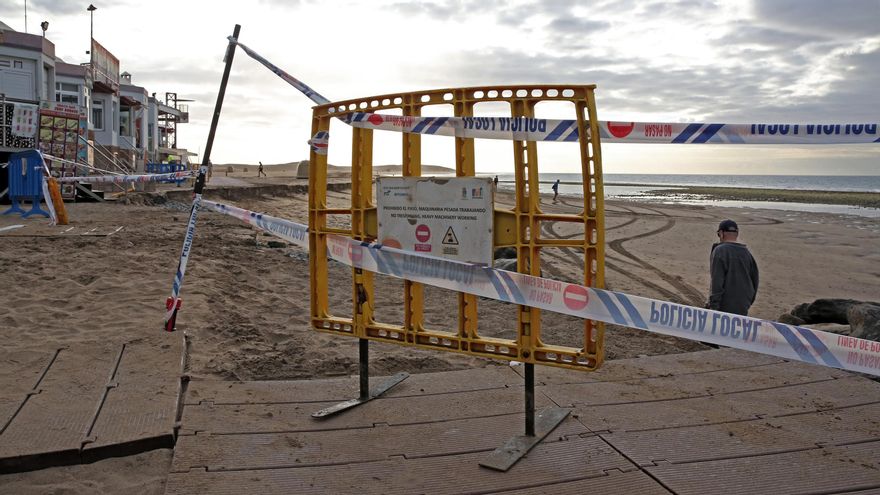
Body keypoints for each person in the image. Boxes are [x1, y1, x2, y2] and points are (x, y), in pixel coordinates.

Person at [708, 219, 759, 316]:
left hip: (725, 305)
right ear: (737, 233)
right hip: (743, 303)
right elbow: (755, 280)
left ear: (721, 233)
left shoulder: (720, 251)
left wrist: (714, 305)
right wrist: (748, 301)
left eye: (718, 234)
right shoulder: (747, 253)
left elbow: (716, 281)